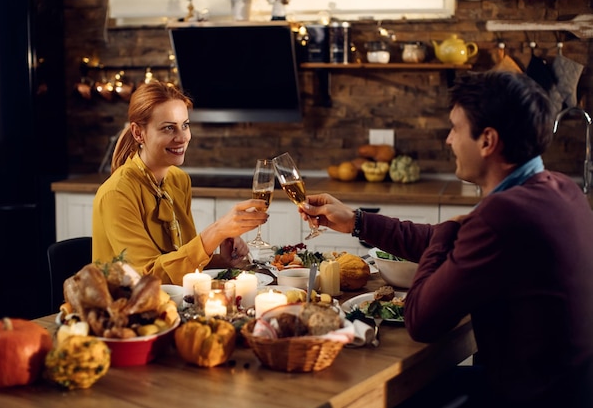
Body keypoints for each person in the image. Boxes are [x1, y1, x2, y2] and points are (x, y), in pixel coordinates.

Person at [300, 71, 593, 408]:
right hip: (564, 390)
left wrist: (447, 233)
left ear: (487, 140)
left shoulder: (504, 214)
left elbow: (419, 321)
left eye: (455, 128)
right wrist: (357, 222)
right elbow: (453, 241)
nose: (448, 140)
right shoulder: (558, 189)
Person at [92, 81, 268, 285]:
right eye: (168, 128)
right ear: (138, 133)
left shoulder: (179, 180)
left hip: (175, 303)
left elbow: (176, 262)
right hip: (126, 308)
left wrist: (221, 260)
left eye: (185, 125)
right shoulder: (116, 193)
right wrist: (217, 231)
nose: (182, 137)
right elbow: (148, 277)